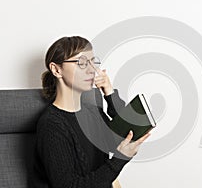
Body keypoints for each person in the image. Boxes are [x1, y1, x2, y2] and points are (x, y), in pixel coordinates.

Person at [29, 36, 150, 188]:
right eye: (82, 63)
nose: (92, 69)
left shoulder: (93, 113)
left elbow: (124, 136)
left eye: (93, 62)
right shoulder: (51, 125)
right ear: (56, 69)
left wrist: (110, 94)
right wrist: (119, 159)